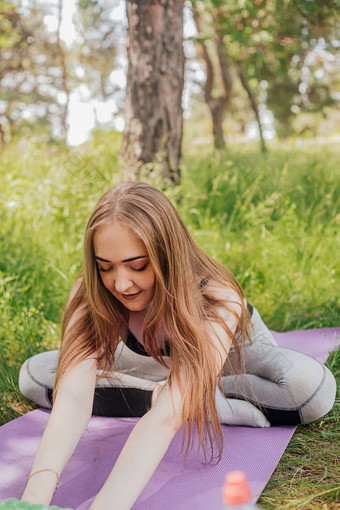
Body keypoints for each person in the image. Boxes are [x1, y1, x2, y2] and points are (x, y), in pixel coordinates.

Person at [19, 182, 336, 509]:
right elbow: (71, 398)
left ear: (167, 254)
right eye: (105, 267)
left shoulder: (215, 295)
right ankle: (171, 392)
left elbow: (166, 418)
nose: (121, 283)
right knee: (37, 375)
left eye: (138, 265)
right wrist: (34, 497)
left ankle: (196, 394)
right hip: (152, 367)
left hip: (235, 360)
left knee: (310, 388)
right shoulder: (90, 292)